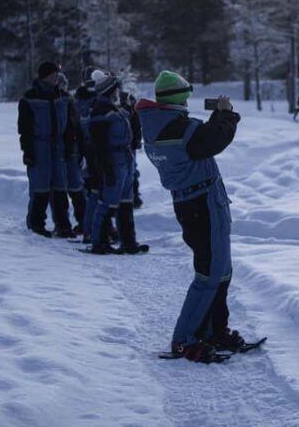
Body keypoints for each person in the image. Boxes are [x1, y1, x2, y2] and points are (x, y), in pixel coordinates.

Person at [137, 70, 246, 362]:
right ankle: (184, 340)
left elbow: (197, 143)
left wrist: (216, 120)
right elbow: (212, 140)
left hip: (192, 203)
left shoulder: (158, 126)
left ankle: (214, 330)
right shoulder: (180, 128)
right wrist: (226, 114)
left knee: (220, 270)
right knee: (210, 274)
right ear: (181, 98)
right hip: (204, 204)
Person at [87, 72, 149, 255]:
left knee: (126, 203)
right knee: (108, 202)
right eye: (116, 89)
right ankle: (99, 242)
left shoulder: (115, 109)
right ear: (110, 90)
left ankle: (129, 242)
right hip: (113, 161)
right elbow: (98, 145)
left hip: (126, 160)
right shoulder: (100, 112)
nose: (119, 91)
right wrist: (105, 168)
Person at [18, 61, 77, 238]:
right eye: (53, 74)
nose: (56, 77)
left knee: (60, 187)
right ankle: (36, 224)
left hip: (58, 147)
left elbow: (71, 126)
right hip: (39, 146)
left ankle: (63, 225)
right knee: (40, 188)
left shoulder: (64, 97)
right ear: (45, 76)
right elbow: (24, 129)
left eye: (57, 74)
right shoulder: (29, 98)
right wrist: (27, 151)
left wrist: (69, 148)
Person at [58, 72, 86, 233]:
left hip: (70, 151)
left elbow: (76, 127)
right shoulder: (68, 102)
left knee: (72, 188)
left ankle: (76, 222)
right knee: (74, 188)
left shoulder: (68, 103)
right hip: (70, 150)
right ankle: (78, 222)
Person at [75, 68, 98, 244]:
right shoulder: (98, 101)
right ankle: (91, 228)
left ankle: (86, 225)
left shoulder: (76, 101)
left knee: (88, 190)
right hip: (93, 150)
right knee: (95, 191)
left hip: (82, 149)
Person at [119, 90, 143, 209]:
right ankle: (133, 197)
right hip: (126, 142)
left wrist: (137, 139)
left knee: (131, 170)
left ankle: (134, 196)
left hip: (129, 142)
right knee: (131, 170)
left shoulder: (127, 99)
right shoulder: (126, 98)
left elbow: (136, 121)